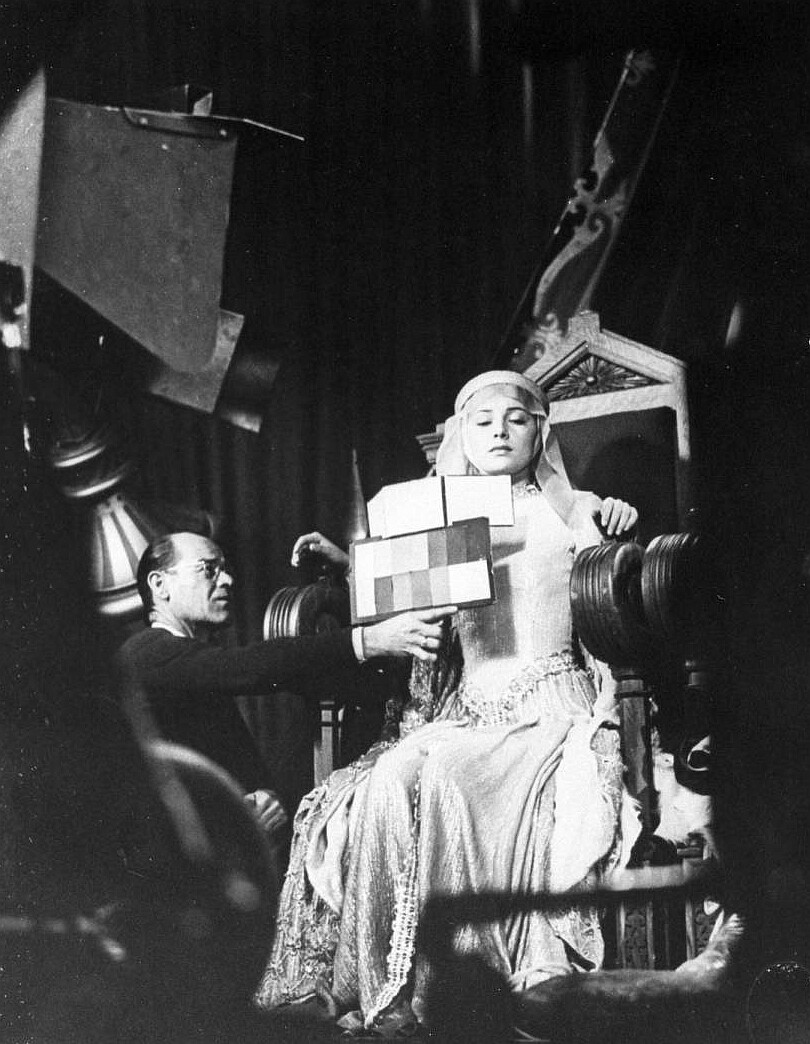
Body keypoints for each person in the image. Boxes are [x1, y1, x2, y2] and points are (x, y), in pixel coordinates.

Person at [257, 371, 641, 1032]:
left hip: (546, 704)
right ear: (463, 433)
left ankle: (457, 987)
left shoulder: (575, 508)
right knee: (387, 780)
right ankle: (381, 983)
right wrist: (351, 567)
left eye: (515, 419)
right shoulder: (438, 516)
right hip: (465, 708)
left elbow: (614, 579)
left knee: (446, 778)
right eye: (482, 421)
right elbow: (404, 593)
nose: (499, 432)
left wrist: (618, 521)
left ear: (539, 433)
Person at [116, 531, 455, 842]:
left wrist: (266, 798)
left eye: (225, 569)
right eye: (208, 569)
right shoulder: (147, 654)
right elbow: (253, 667)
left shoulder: (188, 659)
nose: (228, 580)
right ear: (159, 584)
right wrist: (369, 640)